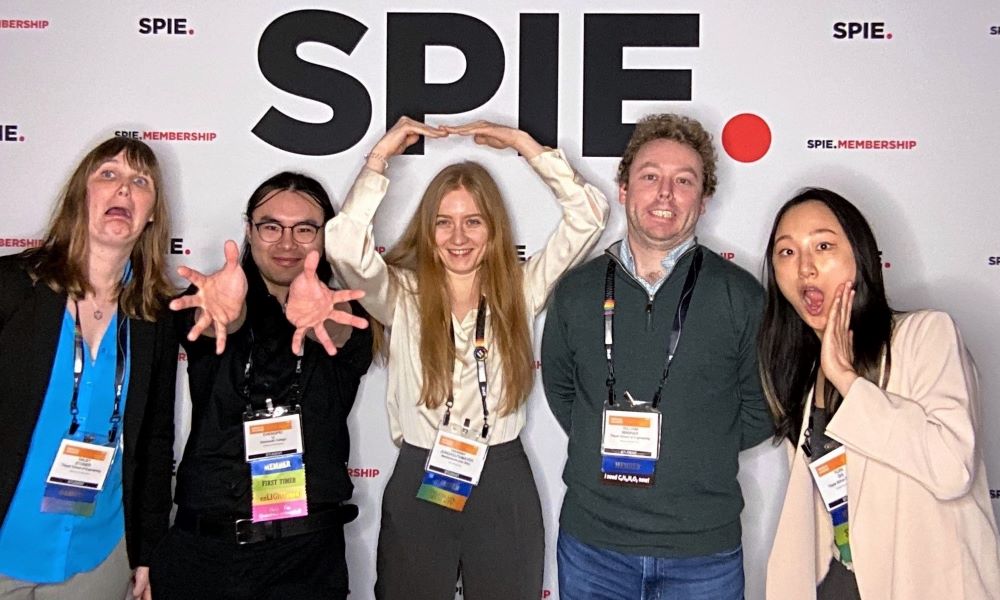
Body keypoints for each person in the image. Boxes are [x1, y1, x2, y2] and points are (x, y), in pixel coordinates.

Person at [314, 116, 608, 599]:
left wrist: (524, 145)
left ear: (493, 230)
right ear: (427, 231)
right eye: (443, 222)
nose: (458, 237)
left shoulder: (519, 289)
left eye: (473, 221)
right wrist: (379, 157)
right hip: (421, 470)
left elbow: (588, 218)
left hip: (502, 476)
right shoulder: (401, 294)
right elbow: (344, 246)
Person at [540, 113, 773, 600]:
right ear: (624, 189)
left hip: (702, 553)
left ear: (704, 200)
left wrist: (699, 448)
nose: (665, 194)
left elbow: (763, 408)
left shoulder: (740, 295)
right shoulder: (577, 291)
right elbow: (565, 395)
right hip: (594, 547)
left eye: (683, 181)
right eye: (650, 176)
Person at [760, 188, 1000, 599]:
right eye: (786, 252)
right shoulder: (803, 372)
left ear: (860, 255)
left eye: (823, 245)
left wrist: (848, 379)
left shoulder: (925, 334)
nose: (805, 268)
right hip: (840, 585)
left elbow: (950, 468)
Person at [148, 172, 372, 600]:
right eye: (271, 227)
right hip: (202, 554)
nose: (287, 244)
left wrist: (316, 314)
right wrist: (221, 310)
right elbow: (215, 323)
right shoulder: (212, 299)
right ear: (249, 230)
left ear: (325, 236)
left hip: (305, 562)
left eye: (305, 229)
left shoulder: (346, 313)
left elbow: (339, 335)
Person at [0, 137, 177, 600]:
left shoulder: (155, 315)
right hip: (7, 547)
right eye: (108, 175)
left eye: (140, 182)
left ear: (152, 212)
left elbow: (155, 440)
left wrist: (148, 550)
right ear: (82, 194)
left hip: (98, 558)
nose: (123, 191)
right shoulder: (12, 287)